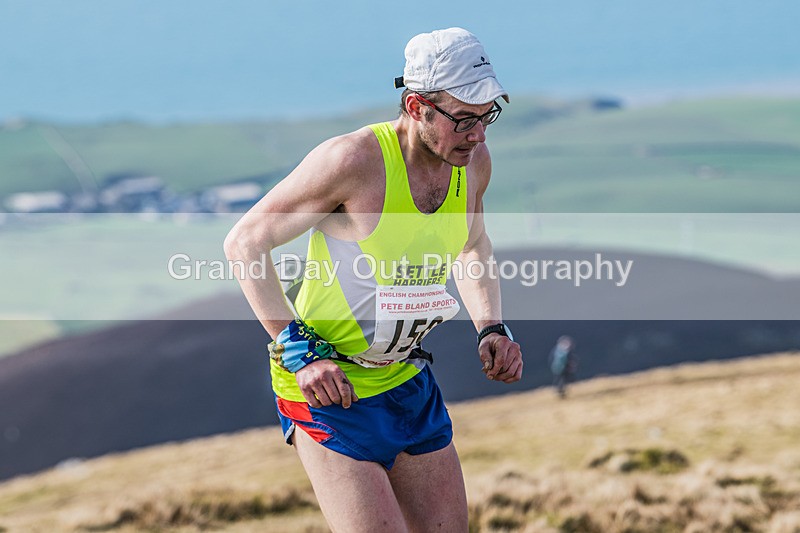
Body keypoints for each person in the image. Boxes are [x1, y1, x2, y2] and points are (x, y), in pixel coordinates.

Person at [224, 27, 523, 532]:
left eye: (487, 115)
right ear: (417, 106)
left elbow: (473, 245)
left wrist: (490, 327)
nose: (478, 135)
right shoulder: (353, 161)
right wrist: (297, 351)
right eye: (464, 119)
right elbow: (244, 242)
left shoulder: (473, 163)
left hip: (406, 378)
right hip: (329, 390)